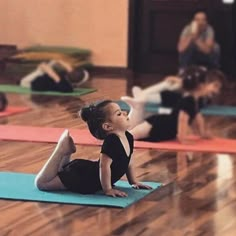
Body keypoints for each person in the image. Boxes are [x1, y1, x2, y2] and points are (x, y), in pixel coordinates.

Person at [35, 100, 152, 197]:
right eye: (119, 114)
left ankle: (66, 152)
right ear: (107, 126)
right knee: (42, 184)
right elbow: (104, 166)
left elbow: (129, 162)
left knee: (59, 174)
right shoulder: (112, 141)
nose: (125, 113)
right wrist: (108, 189)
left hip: (89, 174)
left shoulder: (129, 137)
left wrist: (133, 182)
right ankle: (61, 149)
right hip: (84, 178)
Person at [126, 66, 221, 143]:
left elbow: (198, 117)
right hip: (159, 125)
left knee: (132, 134)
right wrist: (182, 138)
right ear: (201, 86)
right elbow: (182, 119)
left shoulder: (194, 101)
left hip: (167, 129)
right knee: (130, 136)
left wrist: (202, 133)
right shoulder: (188, 100)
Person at [20, 60, 89, 93]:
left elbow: (52, 73)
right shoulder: (69, 86)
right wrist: (57, 60)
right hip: (41, 79)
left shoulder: (65, 86)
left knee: (43, 67)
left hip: (29, 84)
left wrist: (44, 66)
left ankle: (41, 69)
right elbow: (69, 68)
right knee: (50, 66)